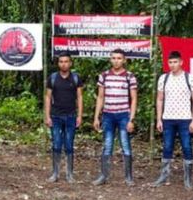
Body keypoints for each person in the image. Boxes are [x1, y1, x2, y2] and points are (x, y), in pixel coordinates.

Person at [153, 50, 193, 190]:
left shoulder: (190, 78)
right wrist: (159, 119)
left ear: (181, 62)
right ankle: (164, 176)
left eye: (175, 62)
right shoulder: (163, 78)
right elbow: (160, 99)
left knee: (186, 147)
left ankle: (188, 179)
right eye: (170, 62)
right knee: (167, 147)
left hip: (185, 118)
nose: (172, 65)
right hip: (168, 118)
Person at [92, 49, 138, 186]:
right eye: (113, 58)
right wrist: (96, 117)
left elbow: (134, 99)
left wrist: (131, 119)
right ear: (110, 60)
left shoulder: (129, 76)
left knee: (125, 145)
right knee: (107, 145)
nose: (116, 60)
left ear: (124, 60)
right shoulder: (104, 76)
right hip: (108, 115)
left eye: (119, 58)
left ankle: (129, 177)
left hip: (123, 114)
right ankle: (104, 176)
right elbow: (100, 97)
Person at [44, 52, 83, 183]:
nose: (63, 64)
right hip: (55, 116)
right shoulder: (53, 78)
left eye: (66, 61)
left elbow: (80, 97)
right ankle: (55, 173)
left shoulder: (76, 78)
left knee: (69, 145)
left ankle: (69, 174)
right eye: (61, 61)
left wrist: (80, 116)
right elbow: (48, 97)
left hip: (71, 116)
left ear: (70, 63)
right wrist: (47, 116)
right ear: (58, 63)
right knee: (56, 144)